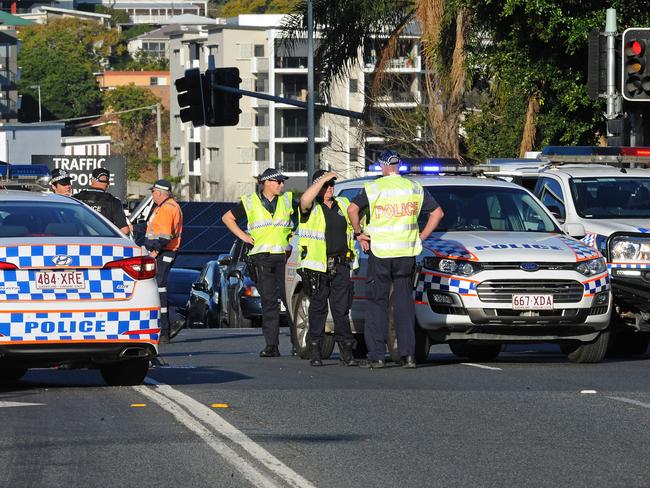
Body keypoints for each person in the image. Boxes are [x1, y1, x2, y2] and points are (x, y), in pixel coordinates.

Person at [348, 150, 444, 369]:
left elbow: (352, 209)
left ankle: (377, 356)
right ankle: (408, 355)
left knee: (377, 303)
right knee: (403, 303)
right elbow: (437, 213)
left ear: (383, 166)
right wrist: (421, 237)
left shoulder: (374, 188)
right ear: (398, 166)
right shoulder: (414, 187)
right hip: (406, 252)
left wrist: (358, 232)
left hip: (381, 252)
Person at [222, 168, 299, 357]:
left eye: (282, 182)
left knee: (291, 302)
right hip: (262, 257)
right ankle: (272, 345)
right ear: (265, 182)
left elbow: (304, 219)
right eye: (277, 181)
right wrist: (244, 237)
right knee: (269, 302)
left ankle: (298, 344)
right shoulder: (250, 201)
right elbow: (227, 218)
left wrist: (294, 238)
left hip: (284, 257)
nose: (281, 185)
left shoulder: (288, 200)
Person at [298, 169, 358, 367]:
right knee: (318, 309)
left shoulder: (342, 204)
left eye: (332, 184)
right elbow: (305, 200)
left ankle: (346, 351)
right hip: (317, 267)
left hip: (340, 264)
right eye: (325, 185)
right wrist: (322, 178)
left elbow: (357, 220)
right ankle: (315, 348)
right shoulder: (311, 208)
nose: (330, 188)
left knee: (341, 310)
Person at [144, 179, 184, 343]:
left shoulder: (167, 208)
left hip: (164, 252)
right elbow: (154, 229)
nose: (152, 196)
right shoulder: (165, 207)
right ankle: (168, 324)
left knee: (159, 288)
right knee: (158, 287)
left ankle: (167, 327)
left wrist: (154, 251)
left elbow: (165, 236)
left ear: (159, 193)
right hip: (163, 251)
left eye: (153, 192)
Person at [75, 167, 130, 235]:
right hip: (104, 243)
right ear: (108, 183)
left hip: (78, 242)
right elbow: (125, 230)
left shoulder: (75, 198)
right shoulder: (114, 201)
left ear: (91, 180)